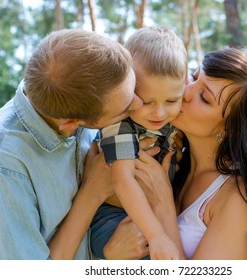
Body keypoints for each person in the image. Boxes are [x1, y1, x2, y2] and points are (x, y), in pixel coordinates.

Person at [104, 47, 247, 260]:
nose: (186, 92)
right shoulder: (167, 153)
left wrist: (163, 202)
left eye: (204, 97)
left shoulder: (237, 197)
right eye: (194, 77)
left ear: (230, 129)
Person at [0, 28, 144, 259]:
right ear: (71, 122)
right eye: (125, 108)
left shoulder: (74, 98)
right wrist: (91, 194)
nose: (139, 104)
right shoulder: (1, 163)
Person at [90, 27, 188, 260]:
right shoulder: (121, 124)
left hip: (156, 212)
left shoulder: (174, 117)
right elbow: (122, 181)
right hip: (114, 219)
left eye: (172, 100)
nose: (160, 112)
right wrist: (156, 235)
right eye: (146, 101)